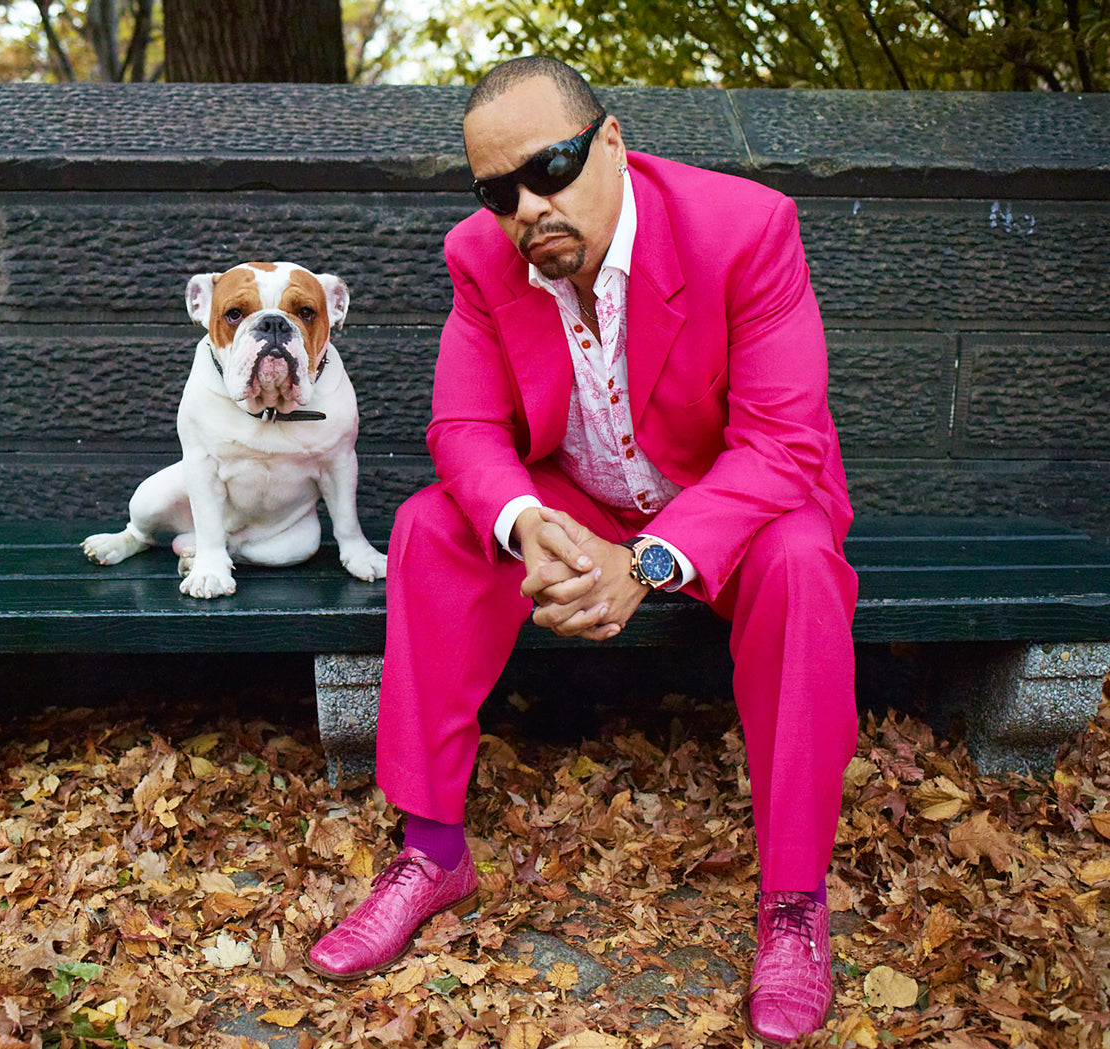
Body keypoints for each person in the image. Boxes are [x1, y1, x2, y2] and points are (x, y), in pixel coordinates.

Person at [306, 55, 858, 1044]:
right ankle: (433, 849)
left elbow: (783, 446)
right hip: (581, 502)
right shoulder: (480, 256)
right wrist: (529, 525)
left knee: (803, 565)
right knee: (432, 526)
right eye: (497, 191)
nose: (527, 207)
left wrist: (644, 562)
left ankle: (791, 900)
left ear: (610, 143)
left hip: (734, 505)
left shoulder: (745, 229)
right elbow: (464, 427)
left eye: (549, 168)